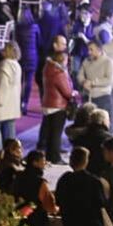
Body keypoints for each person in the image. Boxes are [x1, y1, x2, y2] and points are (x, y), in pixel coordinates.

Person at [38, 36, 74, 164]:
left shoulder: (48, 68)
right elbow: (67, 92)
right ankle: (55, 157)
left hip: (48, 103)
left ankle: (49, 155)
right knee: (56, 133)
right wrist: (74, 94)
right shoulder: (58, 73)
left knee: (50, 131)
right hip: (58, 105)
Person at [0, 41, 22, 156]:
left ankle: (0, 150)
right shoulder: (17, 66)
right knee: (11, 127)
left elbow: (1, 86)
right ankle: (13, 150)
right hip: (13, 101)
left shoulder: (4, 67)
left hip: (3, 101)